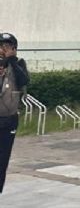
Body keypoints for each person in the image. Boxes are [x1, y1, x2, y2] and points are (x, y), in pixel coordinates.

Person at [0, 32, 29, 193]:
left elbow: (24, 80)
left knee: (2, 159)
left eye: (7, 46)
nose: (3, 50)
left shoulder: (19, 64)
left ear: (14, 49)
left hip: (9, 120)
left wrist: (11, 60)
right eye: (1, 46)